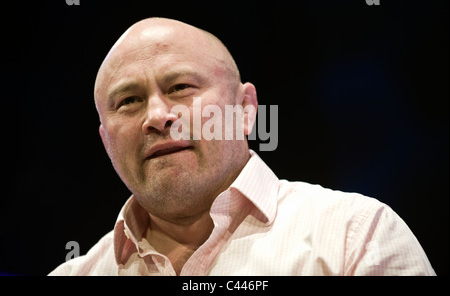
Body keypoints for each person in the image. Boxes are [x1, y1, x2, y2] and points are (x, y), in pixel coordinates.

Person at [49, 17, 435, 276]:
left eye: (180, 87)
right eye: (128, 101)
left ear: (246, 109)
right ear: (105, 139)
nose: (156, 115)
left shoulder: (355, 236)